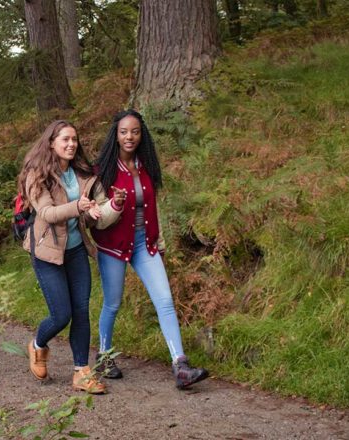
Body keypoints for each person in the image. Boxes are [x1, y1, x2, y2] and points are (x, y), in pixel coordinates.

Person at [90, 109, 209, 389]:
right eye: (123, 132)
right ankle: (105, 357)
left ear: (141, 135)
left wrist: (160, 243)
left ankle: (180, 365)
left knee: (165, 301)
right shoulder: (103, 170)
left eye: (134, 131)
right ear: (115, 136)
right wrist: (115, 204)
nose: (129, 137)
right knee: (112, 303)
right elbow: (100, 220)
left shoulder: (147, 166)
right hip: (113, 246)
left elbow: (153, 208)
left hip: (145, 242)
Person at [17, 120, 107, 394]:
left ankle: (81, 371)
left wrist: (93, 212)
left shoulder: (81, 173)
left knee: (81, 311)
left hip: (77, 249)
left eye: (74, 140)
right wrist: (77, 206)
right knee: (61, 315)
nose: (71, 144)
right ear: (51, 143)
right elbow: (47, 213)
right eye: (65, 139)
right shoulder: (37, 174)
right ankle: (38, 345)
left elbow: (93, 207)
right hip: (46, 252)